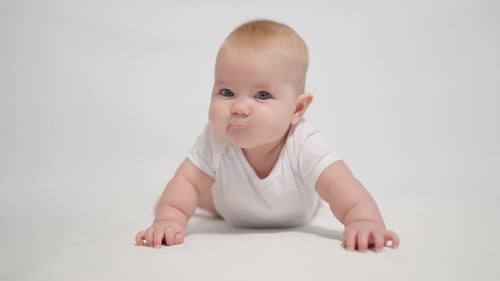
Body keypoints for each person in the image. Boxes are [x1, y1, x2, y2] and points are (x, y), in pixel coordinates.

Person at [135, 19, 399, 252]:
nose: (238, 108)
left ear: (296, 109)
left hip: (296, 210)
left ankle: (310, 197)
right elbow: (189, 182)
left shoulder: (304, 141)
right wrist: (170, 218)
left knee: (323, 189)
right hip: (230, 208)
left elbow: (339, 184)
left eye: (262, 95)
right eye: (226, 92)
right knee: (196, 193)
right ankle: (184, 204)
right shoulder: (215, 139)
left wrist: (363, 220)